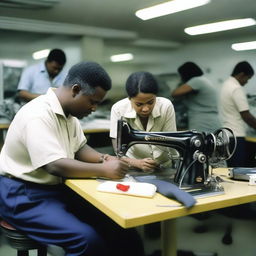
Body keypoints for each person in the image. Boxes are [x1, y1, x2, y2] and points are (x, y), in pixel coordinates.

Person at [0, 61, 145, 256]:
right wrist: (104, 170)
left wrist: (104, 159)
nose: (94, 108)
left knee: (121, 229)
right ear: (76, 90)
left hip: (54, 189)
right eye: (92, 102)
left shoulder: (70, 116)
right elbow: (54, 165)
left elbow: (79, 148)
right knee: (86, 241)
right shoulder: (37, 115)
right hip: (22, 194)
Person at [110, 71, 177, 172]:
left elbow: (172, 140)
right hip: (133, 166)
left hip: (163, 166)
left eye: (150, 102)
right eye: (139, 104)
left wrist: (176, 165)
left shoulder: (165, 106)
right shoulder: (118, 109)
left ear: (156, 96)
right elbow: (118, 148)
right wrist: (135, 162)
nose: (145, 109)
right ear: (129, 98)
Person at [219, 61, 255, 167]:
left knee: (232, 169)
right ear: (241, 75)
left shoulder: (226, 85)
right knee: (238, 169)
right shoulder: (236, 88)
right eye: (247, 79)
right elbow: (246, 115)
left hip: (226, 135)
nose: (246, 82)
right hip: (237, 136)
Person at [171, 62, 221, 133]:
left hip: (203, 121)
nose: (181, 78)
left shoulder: (197, 81)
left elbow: (175, 93)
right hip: (210, 120)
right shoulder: (204, 80)